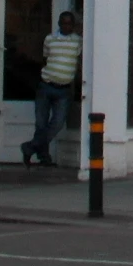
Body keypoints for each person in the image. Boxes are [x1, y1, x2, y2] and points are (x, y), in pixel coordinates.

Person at [22, 10, 81, 166]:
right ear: (59, 24)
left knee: (58, 123)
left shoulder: (78, 42)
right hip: (46, 86)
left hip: (64, 90)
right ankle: (44, 157)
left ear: (73, 26)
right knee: (41, 124)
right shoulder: (49, 39)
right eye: (64, 23)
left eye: (70, 24)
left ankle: (29, 147)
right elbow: (45, 58)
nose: (66, 26)